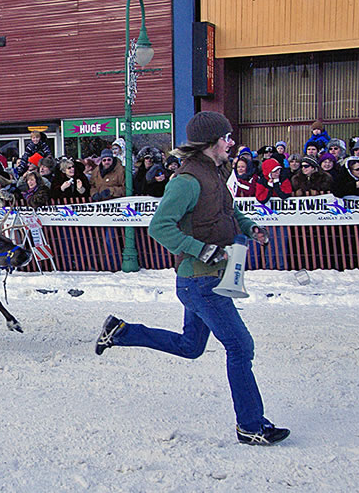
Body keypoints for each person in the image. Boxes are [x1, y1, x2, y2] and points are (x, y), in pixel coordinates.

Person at [95, 111, 289, 446]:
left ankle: (121, 331)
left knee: (191, 346)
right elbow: (159, 227)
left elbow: (226, 212)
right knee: (240, 347)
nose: (231, 143)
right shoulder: (186, 180)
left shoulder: (214, 172)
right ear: (212, 141)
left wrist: (249, 227)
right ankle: (251, 425)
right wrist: (202, 250)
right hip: (200, 282)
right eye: (227, 137)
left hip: (208, 278)